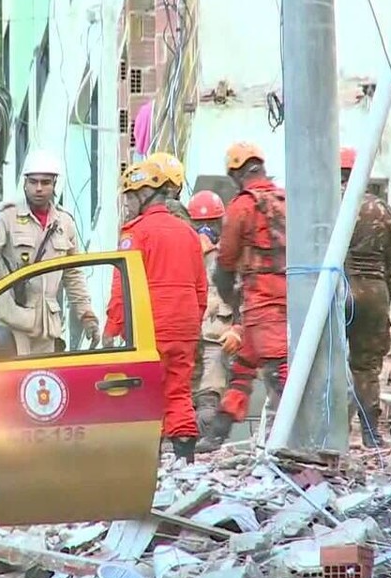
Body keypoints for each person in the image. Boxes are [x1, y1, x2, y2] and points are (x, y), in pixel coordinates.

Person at [105, 157, 207, 462]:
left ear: (145, 193)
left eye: (131, 196)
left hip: (152, 325)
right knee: (179, 389)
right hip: (185, 324)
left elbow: (121, 287)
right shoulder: (189, 233)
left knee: (143, 392)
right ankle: (184, 458)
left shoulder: (136, 233)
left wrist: (113, 328)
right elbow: (201, 287)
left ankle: (144, 462)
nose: (128, 204)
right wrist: (192, 322)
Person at [199, 142, 288, 453]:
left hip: (262, 301)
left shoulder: (242, 206)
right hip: (287, 298)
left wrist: (231, 300)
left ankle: (297, 439)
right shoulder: (286, 200)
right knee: (243, 370)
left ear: (236, 174)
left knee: (280, 374)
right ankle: (216, 436)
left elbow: (225, 262)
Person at [0, 149, 100, 354]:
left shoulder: (64, 222)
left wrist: (86, 313)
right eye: (33, 182)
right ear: (25, 183)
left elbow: (73, 273)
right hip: (11, 320)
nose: (39, 188)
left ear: (54, 184)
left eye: (45, 182)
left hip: (47, 326)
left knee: (44, 383)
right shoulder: (6, 215)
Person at [340, 147, 391, 448]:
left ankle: (329, 432)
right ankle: (371, 434)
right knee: (366, 367)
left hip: (337, 289)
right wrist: (383, 296)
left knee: (326, 361)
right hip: (375, 291)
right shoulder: (384, 211)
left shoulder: (323, 205)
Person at [185, 190, 238, 452]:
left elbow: (242, 295)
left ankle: (203, 454)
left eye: (212, 223)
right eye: (198, 224)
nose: (205, 230)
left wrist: (237, 330)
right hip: (187, 335)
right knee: (183, 398)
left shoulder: (229, 257)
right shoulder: (182, 253)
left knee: (209, 400)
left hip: (218, 337)